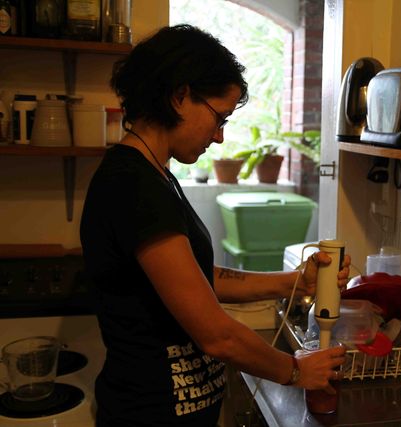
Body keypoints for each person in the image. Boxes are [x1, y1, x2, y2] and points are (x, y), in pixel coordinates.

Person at [80, 24, 349, 427]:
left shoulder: (156, 176)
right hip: (149, 416)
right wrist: (294, 369)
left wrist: (295, 282)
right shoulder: (132, 185)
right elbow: (215, 334)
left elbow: (199, 280)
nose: (220, 137)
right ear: (180, 96)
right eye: (218, 118)